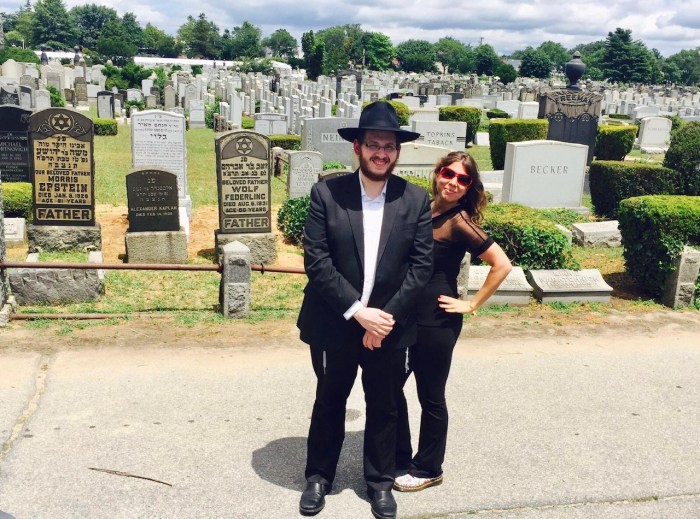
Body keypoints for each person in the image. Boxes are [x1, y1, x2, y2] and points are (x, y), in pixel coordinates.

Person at [296, 101, 434, 519]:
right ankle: (319, 477)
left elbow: (421, 266)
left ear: (398, 151)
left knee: (385, 404)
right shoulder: (327, 194)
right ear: (357, 147)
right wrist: (359, 312)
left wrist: (382, 320)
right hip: (335, 321)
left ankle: (379, 482)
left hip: (390, 325)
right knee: (329, 399)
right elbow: (317, 261)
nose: (381, 153)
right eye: (373, 144)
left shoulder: (415, 199)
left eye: (389, 146)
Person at [393, 151, 512, 492]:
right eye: (449, 173)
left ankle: (428, 468)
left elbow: (501, 264)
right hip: (404, 314)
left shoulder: (459, 222)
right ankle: (399, 456)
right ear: (438, 173)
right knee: (389, 386)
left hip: (436, 320)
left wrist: (471, 304)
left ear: (469, 186)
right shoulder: (425, 209)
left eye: (463, 179)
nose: (453, 182)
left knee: (430, 396)